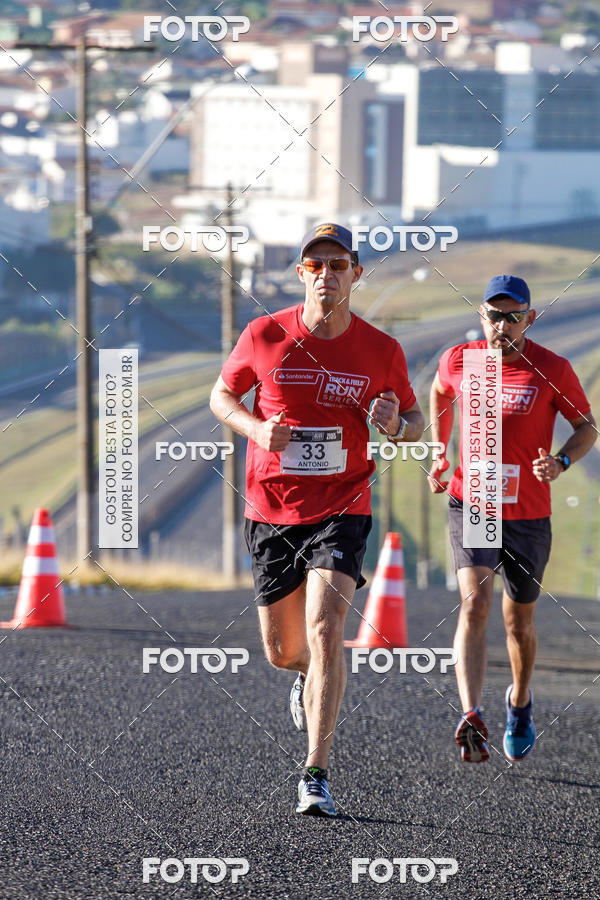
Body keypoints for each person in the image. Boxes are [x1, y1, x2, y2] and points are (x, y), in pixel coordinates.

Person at [210, 222, 424, 815]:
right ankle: (304, 675)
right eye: (315, 265)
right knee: (283, 649)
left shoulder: (382, 349)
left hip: (343, 503)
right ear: (302, 273)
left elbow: (414, 421)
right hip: (272, 506)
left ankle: (316, 773)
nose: (326, 275)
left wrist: (394, 423)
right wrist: (255, 428)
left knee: (329, 628)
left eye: (338, 265)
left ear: (357, 274)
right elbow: (220, 397)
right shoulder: (265, 333)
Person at [428, 274, 597, 763]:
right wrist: (440, 452)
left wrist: (561, 462)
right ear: (480, 315)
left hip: (527, 514)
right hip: (474, 500)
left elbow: (586, 427)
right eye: (494, 315)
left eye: (513, 316)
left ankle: (519, 702)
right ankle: (472, 712)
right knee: (476, 603)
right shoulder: (461, 361)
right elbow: (439, 393)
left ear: (530, 318)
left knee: (517, 621)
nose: (502, 325)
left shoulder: (552, 368)